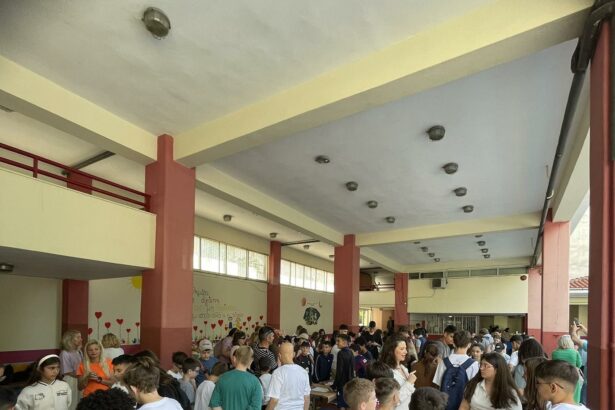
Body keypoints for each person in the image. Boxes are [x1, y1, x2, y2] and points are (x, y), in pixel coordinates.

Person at [432, 330, 478, 410]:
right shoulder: (473, 364)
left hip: (445, 404)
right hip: (464, 405)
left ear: (453, 344)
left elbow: (438, 384)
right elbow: (475, 388)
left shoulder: (443, 362)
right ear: (469, 345)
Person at [210, 346, 262, 410]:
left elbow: (215, 404)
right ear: (251, 361)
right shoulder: (255, 381)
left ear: (234, 358)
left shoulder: (223, 377)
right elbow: (256, 408)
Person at [266, 342, 311, 410]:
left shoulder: (278, 373)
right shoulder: (303, 372)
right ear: (293, 354)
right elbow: (307, 398)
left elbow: (274, 400)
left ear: (279, 356)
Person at [380, 335, 417, 410]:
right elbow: (391, 400)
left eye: (406, 348)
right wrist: (409, 383)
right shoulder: (386, 372)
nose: (406, 352)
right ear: (391, 351)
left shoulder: (403, 367)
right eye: (402, 349)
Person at [550, 335, 582, 404]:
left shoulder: (554, 353)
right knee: (575, 395)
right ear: (570, 342)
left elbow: (553, 365)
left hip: (559, 376)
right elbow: (579, 364)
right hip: (573, 375)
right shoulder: (575, 352)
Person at [59, 330, 83, 410]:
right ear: (70, 339)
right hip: (70, 380)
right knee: (71, 402)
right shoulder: (64, 353)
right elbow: (67, 371)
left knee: (79, 401)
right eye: (78, 337)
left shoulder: (79, 352)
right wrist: (80, 375)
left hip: (79, 378)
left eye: (80, 337)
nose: (81, 339)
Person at [332, 333, 356, 409]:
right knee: (348, 404)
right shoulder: (351, 352)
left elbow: (339, 371)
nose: (336, 343)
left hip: (342, 384)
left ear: (344, 342)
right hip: (349, 382)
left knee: (341, 405)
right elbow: (353, 368)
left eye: (338, 341)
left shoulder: (340, 353)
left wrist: (334, 385)